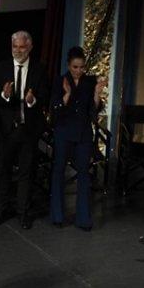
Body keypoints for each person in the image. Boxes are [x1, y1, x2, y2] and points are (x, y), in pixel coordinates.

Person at [0, 31, 49, 229]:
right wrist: (5, 95)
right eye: (15, 46)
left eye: (22, 47)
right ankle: (1, 211)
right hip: (6, 130)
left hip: (28, 129)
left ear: (30, 47)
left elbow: (45, 96)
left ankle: (23, 213)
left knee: (26, 173)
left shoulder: (39, 69)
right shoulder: (1, 67)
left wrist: (32, 100)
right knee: (3, 172)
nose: (18, 50)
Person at [49, 47, 106, 231]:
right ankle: (57, 215)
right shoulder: (60, 81)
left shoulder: (89, 82)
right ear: (68, 65)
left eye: (81, 67)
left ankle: (83, 218)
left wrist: (96, 94)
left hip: (83, 133)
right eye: (75, 67)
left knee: (84, 174)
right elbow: (54, 109)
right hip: (63, 132)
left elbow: (94, 110)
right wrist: (66, 95)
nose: (78, 70)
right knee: (59, 171)